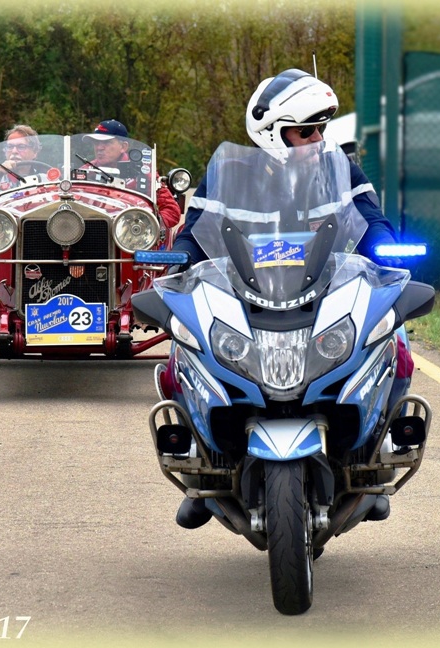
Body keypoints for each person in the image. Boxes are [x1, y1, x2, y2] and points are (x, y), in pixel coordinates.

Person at [169, 68, 409, 530]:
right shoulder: (228, 171)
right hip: (248, 292)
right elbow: (194, 235)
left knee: (394, 345)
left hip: (326, 289)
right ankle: (204, 469)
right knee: (186, 350)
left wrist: (384, 247)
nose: (317, 138)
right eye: (306, 131)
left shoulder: (339, 167)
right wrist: (178, 259)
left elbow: (370, 218)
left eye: (321, 129)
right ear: (273, 132)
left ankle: (371, 460)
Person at [84, 119, 183, 234]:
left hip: (131, 238)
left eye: (106, 142)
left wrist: (146, 227)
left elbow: (172, 211)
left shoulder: (142, 171)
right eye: (96, 143)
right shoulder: (85, 171)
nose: (99, 148)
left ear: (123, 146)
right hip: (91, 235)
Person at [0, 124, 48, 194]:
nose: (14, 151)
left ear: (34, 152)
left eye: (21, 147)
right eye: (10, 146)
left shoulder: (45, 180)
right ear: (5, 151)